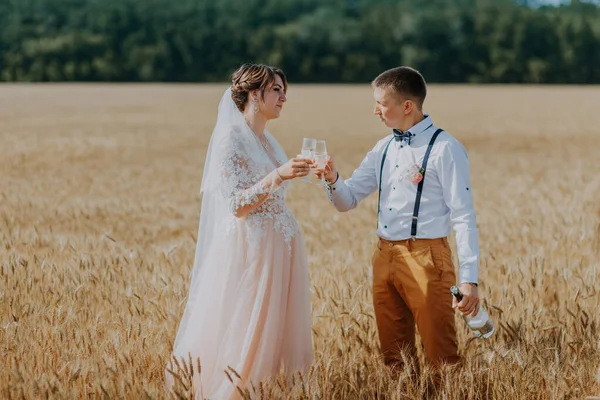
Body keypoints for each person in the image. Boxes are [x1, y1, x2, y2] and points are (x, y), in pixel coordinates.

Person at [315, 66, 481, 373]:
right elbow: (347, 200)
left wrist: (468, 279)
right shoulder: (384, 147)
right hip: (384, 256)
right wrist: (332, 178)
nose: (375, 110)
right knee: (394, 359)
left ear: (407, 106)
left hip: (427, 258)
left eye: (381, 103)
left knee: (441, 357)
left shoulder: (445, 148)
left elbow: (464, 216)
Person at [166, 63, 314, 399]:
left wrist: (300, 172)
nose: (284, 97)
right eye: (276, 90)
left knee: (279, 330)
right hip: (253, 250)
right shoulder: (229, 140)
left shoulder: (267, 140)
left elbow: (275, 188)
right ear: (253, 94)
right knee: (250, 328)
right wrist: (280, 175)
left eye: (283, 90)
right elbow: (237, 205)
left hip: (283, 248)